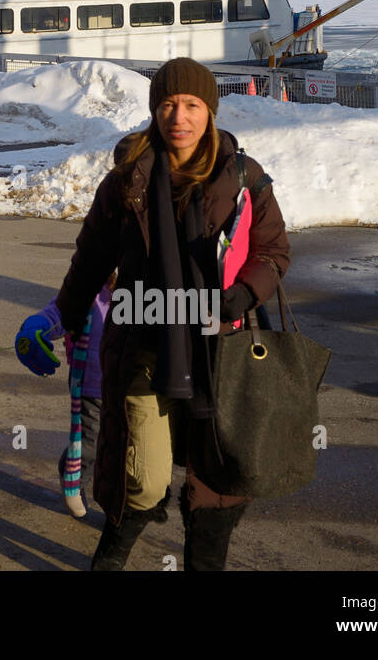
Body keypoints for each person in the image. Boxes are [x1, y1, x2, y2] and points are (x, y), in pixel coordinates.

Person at [15, 58, 290, 571]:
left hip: (222, 350)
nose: (178, 117)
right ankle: (110, 558)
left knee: (216, 487)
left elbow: (273, 252)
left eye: (190, 105)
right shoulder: (126, 182)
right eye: (167, 104)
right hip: (143, 343)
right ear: (153, 110)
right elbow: (91, 260)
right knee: (143, 478)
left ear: (209, 110)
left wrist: (241, 296)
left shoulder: (244, 178)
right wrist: (59, 318)